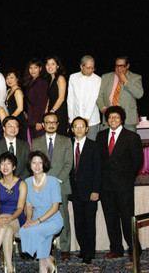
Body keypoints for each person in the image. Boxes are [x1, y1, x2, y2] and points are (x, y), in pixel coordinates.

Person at [96, 106, 143, 260]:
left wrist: (128, 179)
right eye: (110, 117)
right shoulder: (101, 136)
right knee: (111, 218)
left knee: (127, 218)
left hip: (124, 186)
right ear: (107, 120)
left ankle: (134, 249)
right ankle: (116, 248)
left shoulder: (131, 137)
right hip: (106, 186)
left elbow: (138, 161)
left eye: (116, 117)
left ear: (122, 119)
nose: (113, 120)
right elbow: (99, 161)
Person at [31, 112, 73, 260]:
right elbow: (34, 165)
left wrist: (55, 182)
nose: (51, 124)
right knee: (43, 217)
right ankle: (45, 248)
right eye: (48, 122)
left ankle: (66, 248)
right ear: (43, 124)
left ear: (58, 124)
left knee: (63, 217)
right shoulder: (36, 142)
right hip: (41, 186)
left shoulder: (66, 141)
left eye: (53, 122)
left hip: (61, 185)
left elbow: (68, 164)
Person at [0, 152, 27, 273]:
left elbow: (20, 208)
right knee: (7, 229)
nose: (5, 166)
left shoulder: (22, 184)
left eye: (8, 163)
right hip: (1, 221)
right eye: (2, 164)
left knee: (5, 222)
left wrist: (8, 218)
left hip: (17, 218)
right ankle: (10, 269)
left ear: (14, 167)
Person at [19, 151, 63, 273]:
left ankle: (45, 262)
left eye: (40, 163)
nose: (37, 166)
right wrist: (29, 219)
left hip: (53, 219)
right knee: (24, 230)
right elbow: (28, 205)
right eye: (34, 163)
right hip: (35, 217)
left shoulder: (53, 181)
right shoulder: (27, 182)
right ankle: (45, 263)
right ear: (30, 165)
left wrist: (37, 222)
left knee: (34, 231)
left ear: (44, 165)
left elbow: (55, 208)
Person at [69, 117, 101, 264]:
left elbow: (98, 170)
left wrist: (96, 190)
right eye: (76, 126)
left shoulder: (94, 146)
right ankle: (83, 249)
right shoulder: (68, 145)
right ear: (72, 129)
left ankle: (90, 252)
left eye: (82, 126)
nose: (79, 128)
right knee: (78, 222)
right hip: (74, 191)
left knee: (89, 223)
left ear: (87, 129)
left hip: (90, 192)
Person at [97, 56, 144, 132]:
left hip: (128, 121)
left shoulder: (135, 77)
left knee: (129, 143)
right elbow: (99, 96)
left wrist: (126, 81)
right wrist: (104, 109)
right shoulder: (105, 77)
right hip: (109, 119)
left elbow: (139, 94)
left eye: (122, 66)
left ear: (128, 66)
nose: (119, 68)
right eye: (117, 66)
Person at [67, 55, 101, 140]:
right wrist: (70, 117)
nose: (91, 70)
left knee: (91, 145)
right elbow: (70, 99)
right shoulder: (73, 77)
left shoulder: (97, 79)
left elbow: (93, 99)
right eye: (88, 68)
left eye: (93, 68)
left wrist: (86, 118)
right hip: (75, 119)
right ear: (81, 66)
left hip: (92, 120)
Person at [24, 58, 49, 139]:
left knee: (39, 144)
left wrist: (40, 121)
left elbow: (42, 103)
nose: (33, 70)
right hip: (31, 119)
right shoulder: (30, 81)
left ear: (40, 69)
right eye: (30, 68)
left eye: (35, 68)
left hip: (37, 120)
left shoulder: (42, 82)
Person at [45, 55, 69, 136]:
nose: (50, 66)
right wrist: (46, 110)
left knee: (60, 136)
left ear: (58, 66)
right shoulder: (49, 80)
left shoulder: (60, 78)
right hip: (52, 110)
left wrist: (52, 111)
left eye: (53, 64)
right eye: (48, 64)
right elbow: (49, 97)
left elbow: (61, 98)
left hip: (59, 112)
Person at [4, 69, 28, 141]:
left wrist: (10, 119)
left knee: (20, 142)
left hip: (19, 121)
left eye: (11, 78)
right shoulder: (9, 91)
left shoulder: (18, 91)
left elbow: (20, 108)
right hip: (13, 121)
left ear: (17, 79)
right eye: (7, 78)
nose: (9, 80)